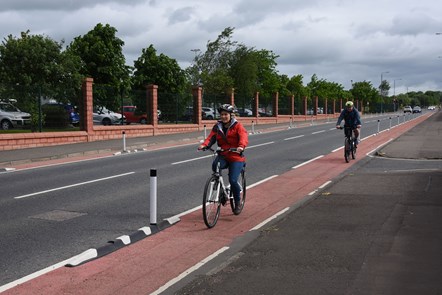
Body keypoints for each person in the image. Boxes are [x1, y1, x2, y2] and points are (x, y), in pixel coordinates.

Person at [198, 104, 249, 215]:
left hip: (236, 156)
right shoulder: (218, 127)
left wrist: (241, 146)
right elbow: (211, 137)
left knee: (233, 180)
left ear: (231, 115)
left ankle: (237, 201)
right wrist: (204, 145)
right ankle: (221, 191)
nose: (224, 116)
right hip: (223, 155)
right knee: (215, 166)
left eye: (226, 114)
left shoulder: (238, 126)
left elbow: (243, 137)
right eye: (222, 114)